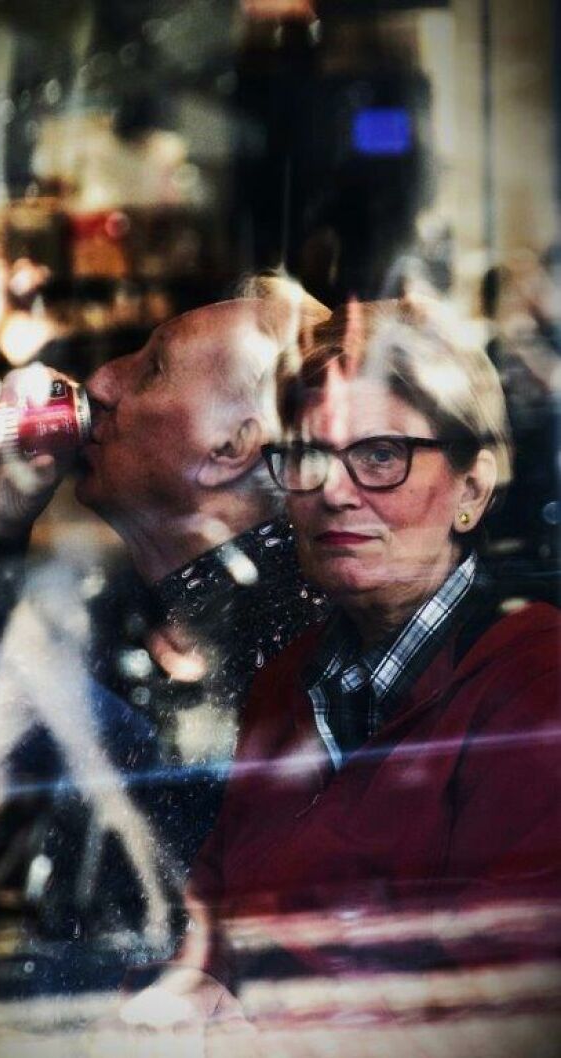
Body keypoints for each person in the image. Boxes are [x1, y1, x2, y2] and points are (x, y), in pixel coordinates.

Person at [121, 296, 560, 1030]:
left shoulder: (534, 683)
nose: (331, 489)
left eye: (380, 455)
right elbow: (214, 931)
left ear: (473, 488)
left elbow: (504, 1008)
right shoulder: (286, 682)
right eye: (306, 456)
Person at [0, 288, 332, 967]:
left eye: (152, 368)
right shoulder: (141, 608)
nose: (101, 381)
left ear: (234, 445)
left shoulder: (267, 658)